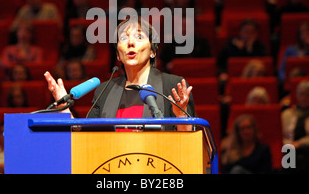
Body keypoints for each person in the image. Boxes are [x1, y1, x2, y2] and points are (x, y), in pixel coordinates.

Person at [45, 17, 196, 131]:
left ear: (152, 51)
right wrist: (64, 109)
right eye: (123, 38)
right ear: (118, 55)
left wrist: (181, 118)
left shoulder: (172, 86)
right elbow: (87, 137)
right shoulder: (104, 91)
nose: (130, 43)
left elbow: (185, 145)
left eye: (139, 37)